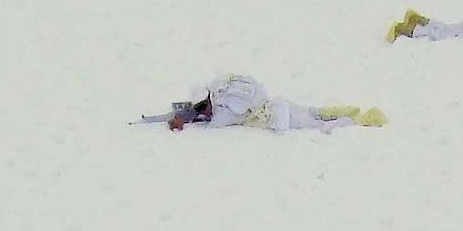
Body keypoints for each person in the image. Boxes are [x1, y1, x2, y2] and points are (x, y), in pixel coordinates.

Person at [141, 74, 384, 132]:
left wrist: (188, 119)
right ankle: (346, 111)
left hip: (278, 116)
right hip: (278, 103)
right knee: (314, 111)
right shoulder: (223, 87)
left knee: (318, 125)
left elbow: (214, 124)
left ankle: (360, 120)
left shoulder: (227, 109)